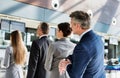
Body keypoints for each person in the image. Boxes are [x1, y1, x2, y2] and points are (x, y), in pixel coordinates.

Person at [59, 11, 106, 78]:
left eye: (71, 24)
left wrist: (66, 65)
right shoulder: (98, 38)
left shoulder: (83, 46)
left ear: (77, 26)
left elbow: (75, 75)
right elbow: (85, 56)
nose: (70, 27)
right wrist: (68, 59)